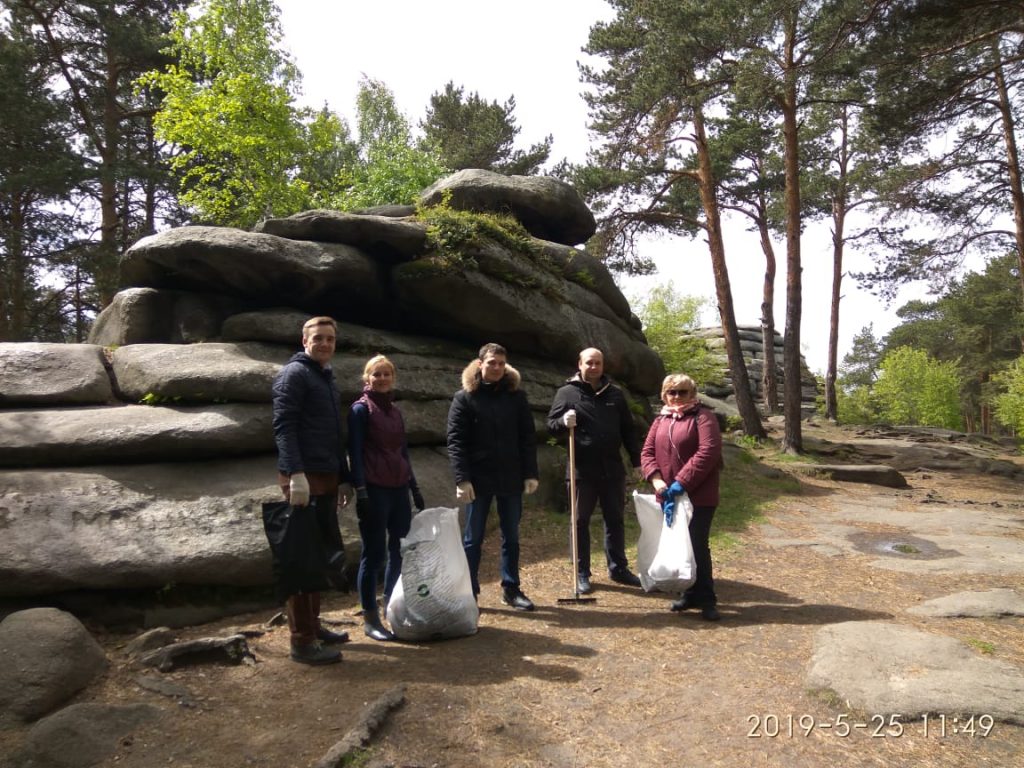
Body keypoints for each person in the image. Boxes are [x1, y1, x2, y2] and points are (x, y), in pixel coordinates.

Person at [272, 316, 354, 665]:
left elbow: (335, 434)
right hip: (304, 479)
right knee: (301, 560)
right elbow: (284, 426)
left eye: (330, 339)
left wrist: (344, 476)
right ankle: (301, 641)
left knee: (319, 556)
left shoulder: (325, 377)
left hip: (326, 476)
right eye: (318, 338)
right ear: (304, 340)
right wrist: (295, 474)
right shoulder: (294, 374)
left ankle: (314, 626)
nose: (324, 344)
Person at [447, 343, 539, 611]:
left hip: (510, 477)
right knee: (473, 539)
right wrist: (462, 479)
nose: (496, 367)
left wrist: (530, 473)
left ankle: (511, 589)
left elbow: (527, 438)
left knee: (510, 536)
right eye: (491, 363)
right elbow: (456, 442)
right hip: (478, 479)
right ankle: (468, 592)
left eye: (501, 363)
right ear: (480, 365)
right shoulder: (464, 398)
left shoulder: (517, 397)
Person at [547, 347, 643, 594]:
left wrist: (637, 461)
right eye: (589, 362)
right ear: (579, 364)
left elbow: (628, 431)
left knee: (615, 519)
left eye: (598, 363)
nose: (593, 367)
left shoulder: (615, 395)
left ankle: (618, 568)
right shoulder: (567, 393)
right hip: (581, 469)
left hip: (612, 469)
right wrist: (561, 422)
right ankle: (581, 573)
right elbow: (551, 427)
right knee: (579, 521)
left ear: (603, 366)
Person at [348, 354, 425, 641]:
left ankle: (392, 609)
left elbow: (402, 451)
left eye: (386, 374)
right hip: (374, 489)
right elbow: (354, 452)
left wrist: (414, 488)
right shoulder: (359, 410)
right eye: (375, 374)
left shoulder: (394, 411)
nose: (381, 379)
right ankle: (370, 618)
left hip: (398, 489)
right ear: (366, 378)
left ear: (393, 377)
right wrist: (360, 489)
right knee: (374, 554)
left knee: (399, 552)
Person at [640, 373, 724, 621]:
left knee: (697, 545)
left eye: (682, 392)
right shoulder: (661, 420)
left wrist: (681, 483)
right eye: (671, 392)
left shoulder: (704, 417)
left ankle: (707, 598)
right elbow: (646, 452)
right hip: (668, 495)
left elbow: (707, 452)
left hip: (698, 496)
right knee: (679, 546)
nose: (676, 397)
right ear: (664, 395)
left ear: (693, 394)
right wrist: (655, 478)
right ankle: (689, 594)